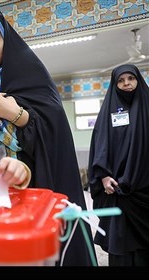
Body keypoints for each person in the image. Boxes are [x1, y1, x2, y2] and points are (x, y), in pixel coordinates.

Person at [0, 8, 95, 266]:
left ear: (6, 39)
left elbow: (56, 129)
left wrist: (20, 116)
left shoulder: (33, 75)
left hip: (33, 178)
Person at [88, 64, 149, 266]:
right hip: (117, 189)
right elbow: (101, 145)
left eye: (130, 79)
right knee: (121, 242)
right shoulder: (108, 113)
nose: (126, 84)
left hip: (145, 188)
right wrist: (103, 176)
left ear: (138, 80)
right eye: (121, 80)